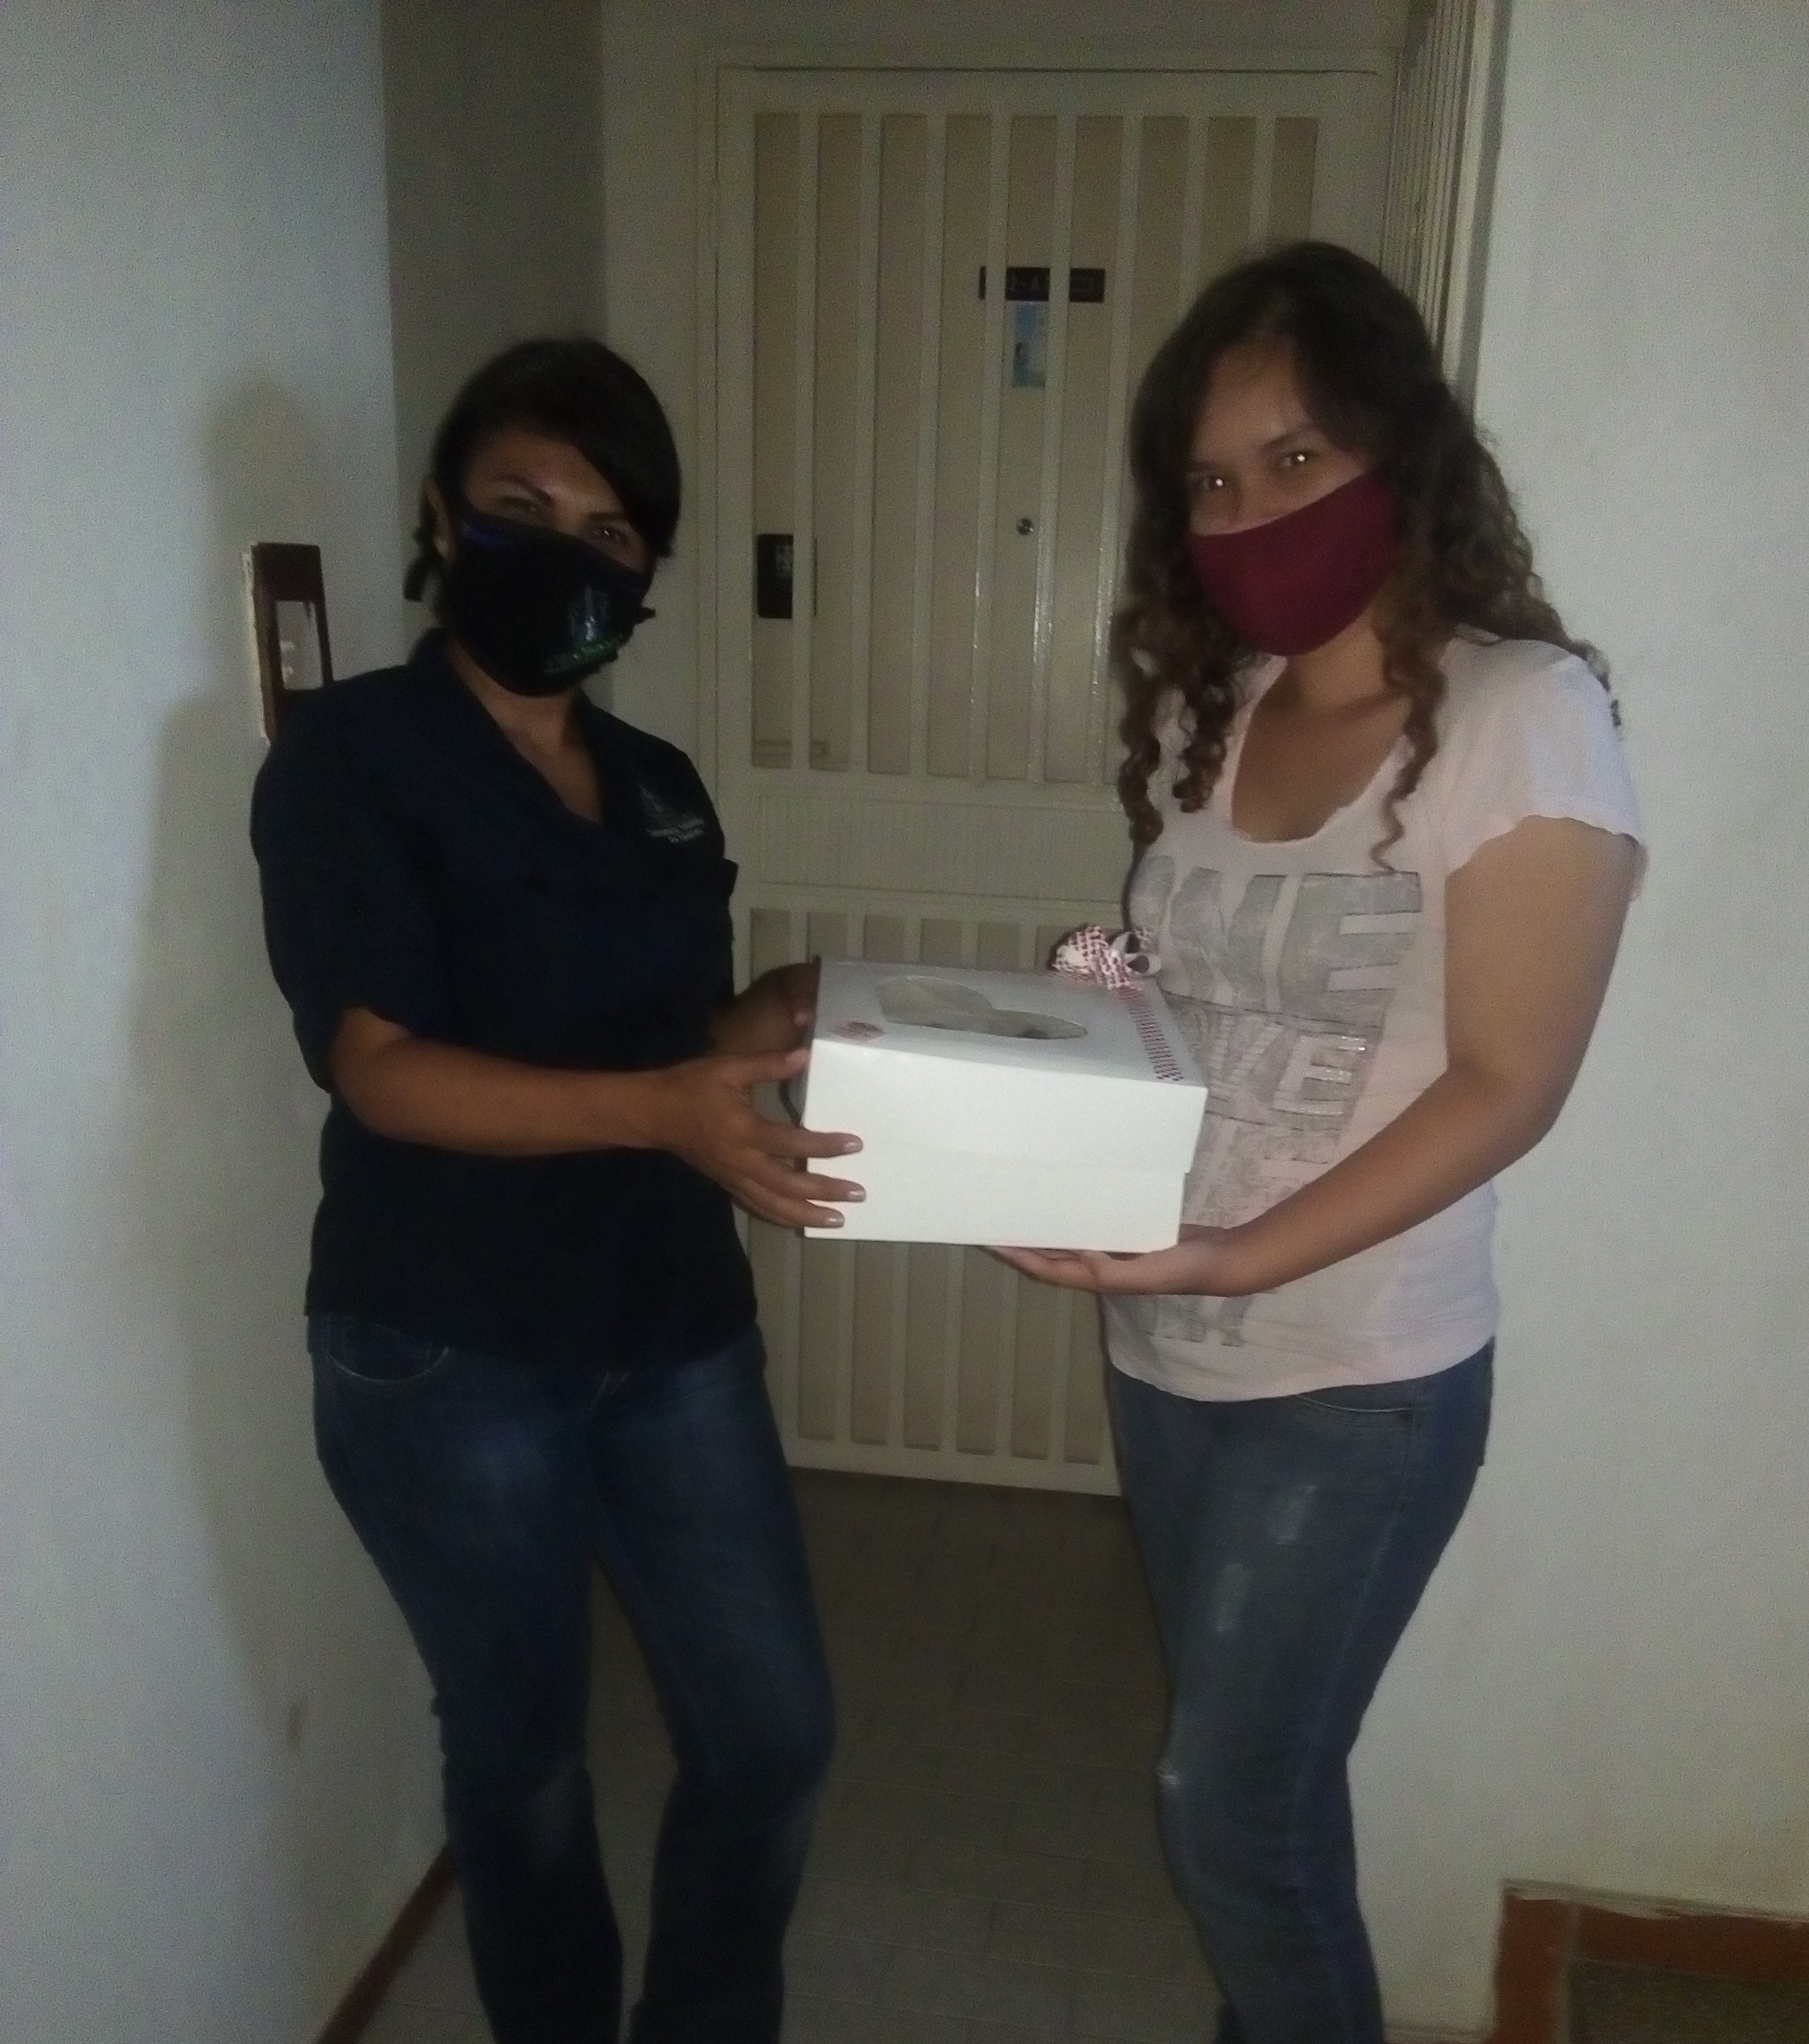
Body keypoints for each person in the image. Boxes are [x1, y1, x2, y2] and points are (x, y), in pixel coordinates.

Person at [996, 242, 1643, 2044]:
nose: (1248, 514)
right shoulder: (1212, 711)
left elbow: (1507, 1080)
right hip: (1163, 1351)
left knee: (1224, 1807)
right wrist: (1080, 1031)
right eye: (1209, 482)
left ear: (1399, 452)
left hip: (1356, 1377)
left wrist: (1226, 1252)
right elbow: (1203, 999)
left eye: (1293, 458)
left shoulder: (1523, 718)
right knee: (1263, 1790)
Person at [250, 338, 862, 2044]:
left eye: (609, 532)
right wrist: (662, 1106)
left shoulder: (659, 785)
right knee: (522, 1762)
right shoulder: (353, 755)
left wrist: (784, 1010)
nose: (562, 554)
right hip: (446, 1343)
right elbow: (379, 1064)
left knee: (774, 1735)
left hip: (668, 1324)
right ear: (443, 518)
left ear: (646, 571)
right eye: (519, 507)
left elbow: (678, 1042)